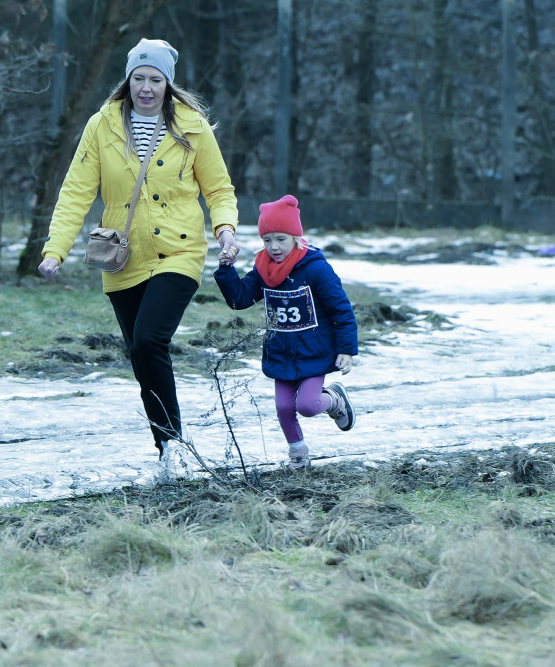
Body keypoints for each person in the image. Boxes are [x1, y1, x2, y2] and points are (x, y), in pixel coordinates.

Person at [38, 38, 240, 459]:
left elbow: (218, 188)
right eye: (138, 78)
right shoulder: (102, 125)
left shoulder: (192, 127)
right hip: (122, 256)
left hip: (179, 252)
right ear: (127, 80)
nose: (146, 87)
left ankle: (174, 444)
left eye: (155, 79)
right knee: (139, 354)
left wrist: (226, 229)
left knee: (150, 340)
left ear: (168, 84)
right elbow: (76, 191)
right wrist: (54, 250)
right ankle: (166, 446)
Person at [213, 194, 357, 470]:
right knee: (283, 409)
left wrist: (347, 349)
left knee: (308, 405)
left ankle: (335, 399)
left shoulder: (315, 269)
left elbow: (341, 309)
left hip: (315, 351)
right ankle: (299, 456)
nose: (274, 247)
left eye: (280, 239)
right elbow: (239, 299)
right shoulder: (263, 270)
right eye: (267, 240)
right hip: (281, 353)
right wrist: (226, 270)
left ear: (295, 237)